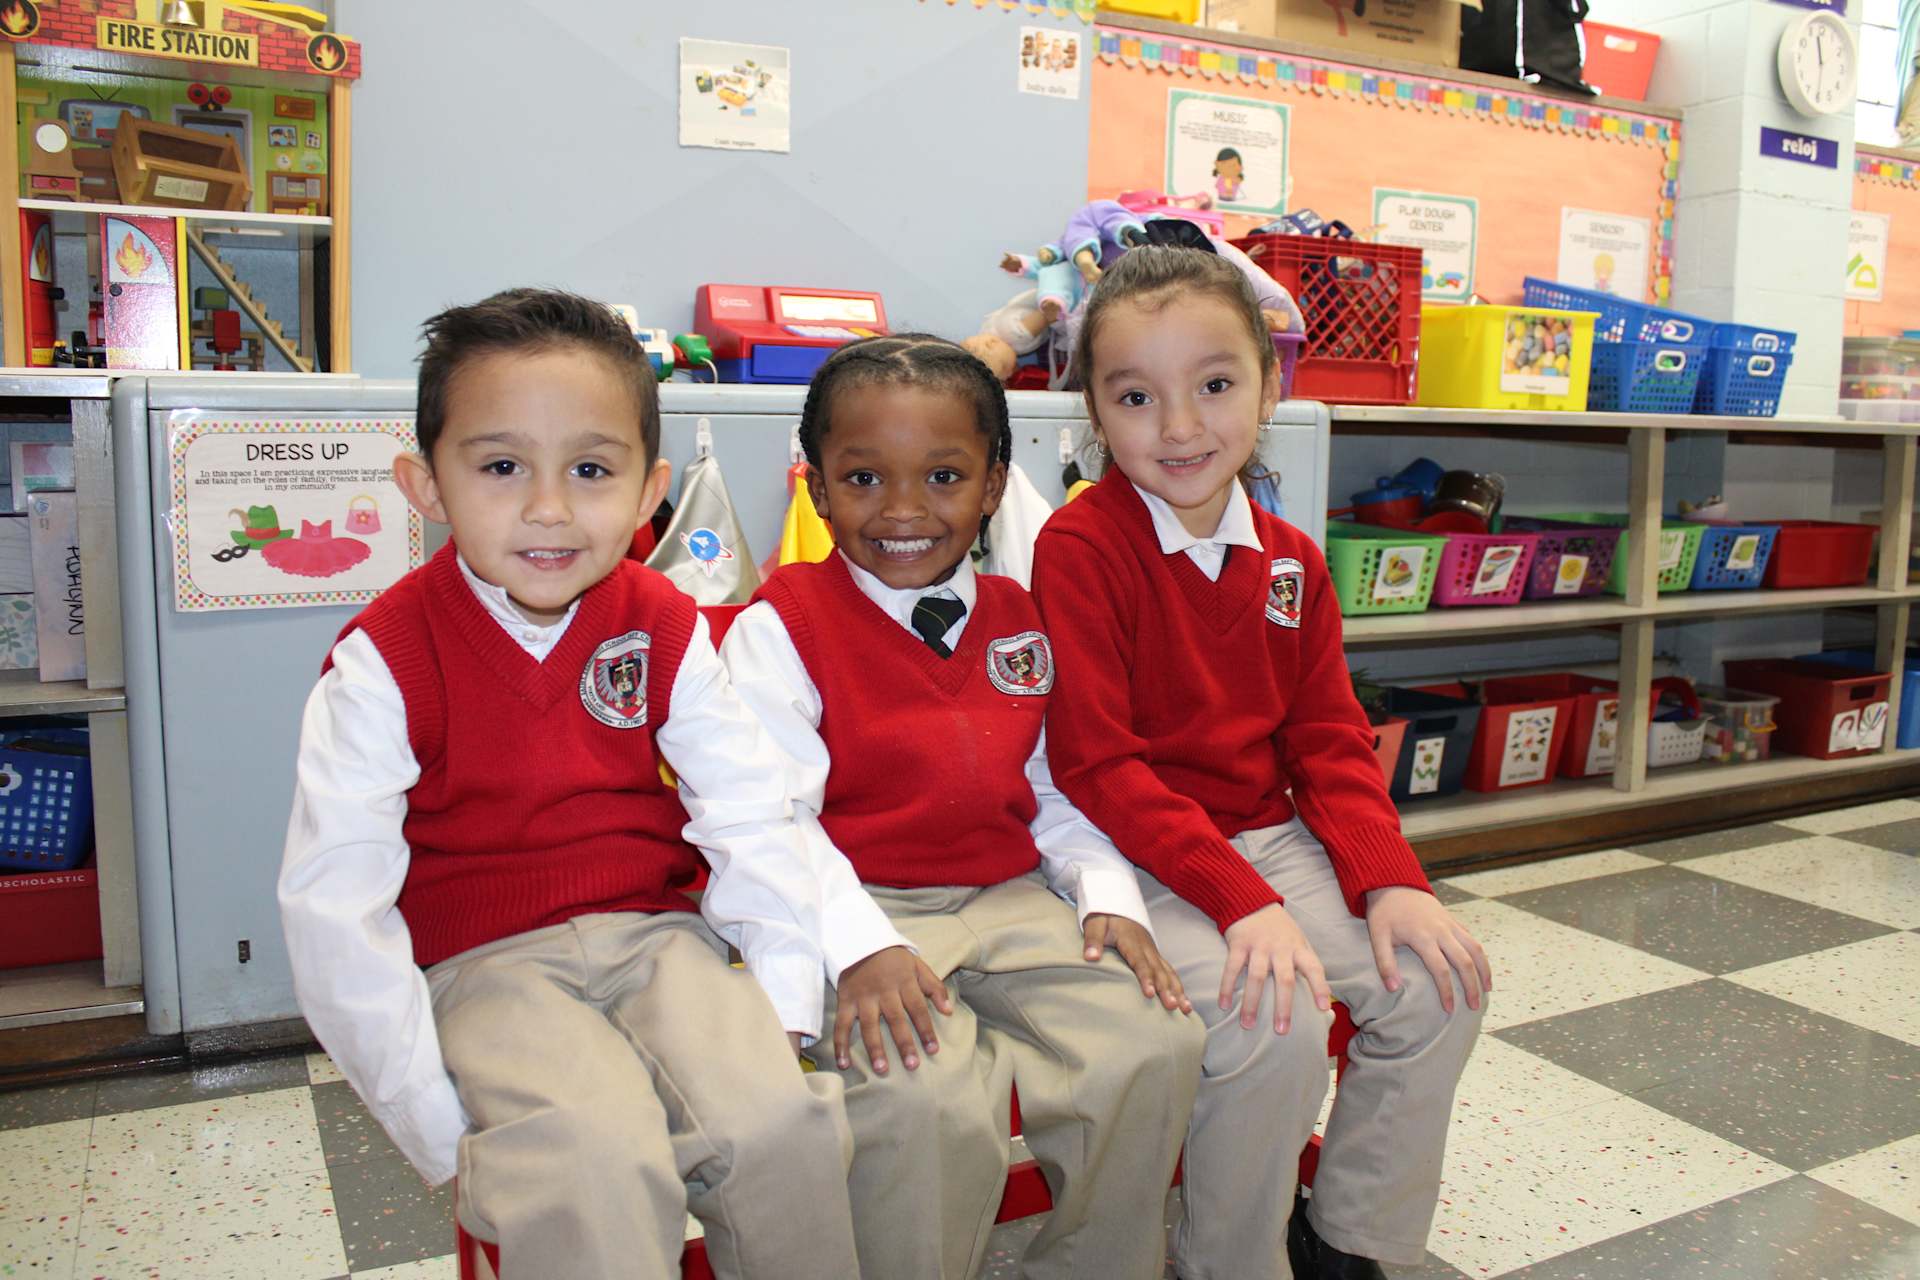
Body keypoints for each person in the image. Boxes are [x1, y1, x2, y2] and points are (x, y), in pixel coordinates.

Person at [278, 288, 860, 1280]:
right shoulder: (383, 660)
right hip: (482, 963)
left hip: (656, 938)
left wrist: (781, 1001)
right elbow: (334, 905)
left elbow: (747, 809)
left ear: (648, 491)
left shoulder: (663, 621)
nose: (548, 508)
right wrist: (429, 1118)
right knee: (595, 1164)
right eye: (501, 466)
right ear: (426, 485)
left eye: (590, 469)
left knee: (781, 1127)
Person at [1031, 247, 1492, 1280]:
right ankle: (1230, 1261)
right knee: (1271, 1014)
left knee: (1440, 983)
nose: (1180, 426)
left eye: (1215, 384)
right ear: (1094, 412)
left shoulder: (1292, 558)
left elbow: (1328, 741)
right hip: (1141, 854)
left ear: (1269, 386)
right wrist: (1244, 902)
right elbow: (1099, 766)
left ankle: (1346, 1240)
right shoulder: (1082, 547)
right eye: (1136, 397)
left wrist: (1391, 881)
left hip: (1266, 839)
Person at [720, 333, 1205, 1279]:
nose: (903, 509)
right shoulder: (780, 627)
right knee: (924, 1099)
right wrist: (859, 947)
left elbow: (1055, 782)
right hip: (860, 906)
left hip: (1011, 895)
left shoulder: (1022, 616)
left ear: (992, 487)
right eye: (864, 479)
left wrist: (1104, 891)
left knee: (1153, 1044)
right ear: (816, 490)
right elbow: (776, 820)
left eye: (943, 477)